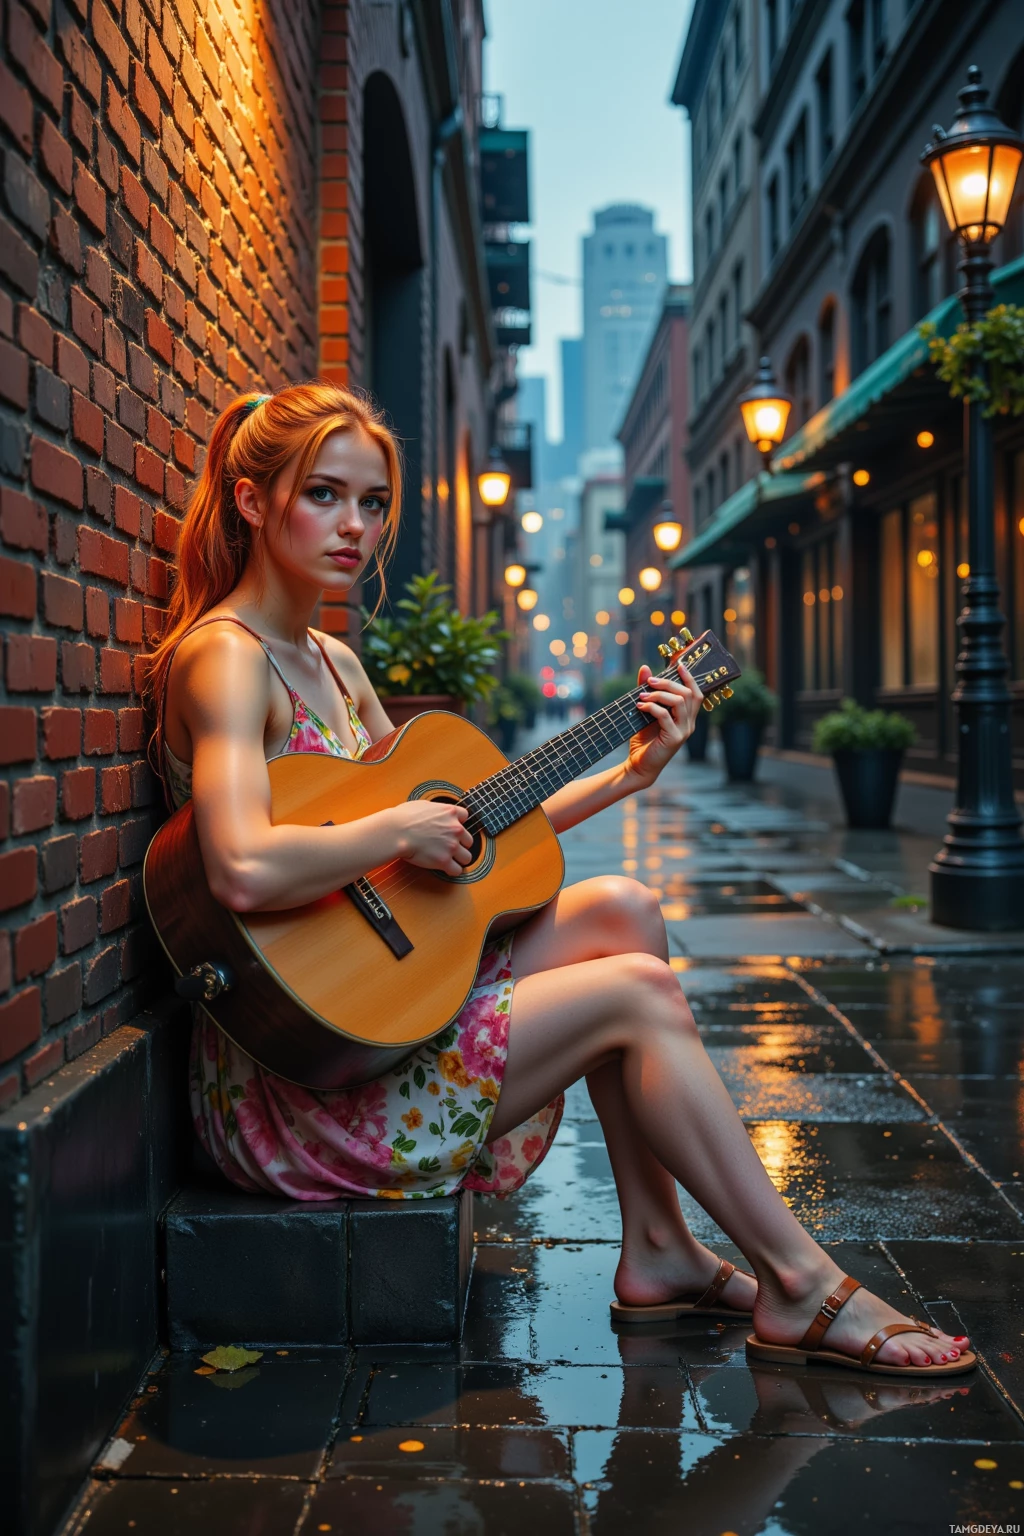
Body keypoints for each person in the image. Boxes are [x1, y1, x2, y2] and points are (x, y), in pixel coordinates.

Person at [146, 382, 973, 1378]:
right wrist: (393, 829)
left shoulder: (331, 661)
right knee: (639, 992)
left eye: (372, 503)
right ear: (248, 499)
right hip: (302, 1089)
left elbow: (470, 834)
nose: (354, 527)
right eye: (323, 495)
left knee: (621, 909)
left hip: (372, 1019)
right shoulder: (224, 661)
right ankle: (799, 1283)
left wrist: (628, 775)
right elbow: (238, 868)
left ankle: (660, 1246)